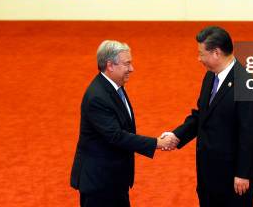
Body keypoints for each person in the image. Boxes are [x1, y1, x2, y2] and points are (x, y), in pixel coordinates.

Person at [162, 26, 253, 207]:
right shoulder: (211, 76)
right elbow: (202, 114)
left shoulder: (246, 84)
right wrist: (177, 135)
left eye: (201, 54)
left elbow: (250, 134)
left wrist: (243, 173)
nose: (199, 58)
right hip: (209, 174)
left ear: (216, 53)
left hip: (233, 179)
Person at [70, 40, 178, 207]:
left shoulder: (114, 87)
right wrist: (156, 143)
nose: (131, 69)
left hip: (114, 179)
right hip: (99, 184)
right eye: (127, 64)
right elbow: (115, 135)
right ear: (110, 66)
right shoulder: (97, 97)